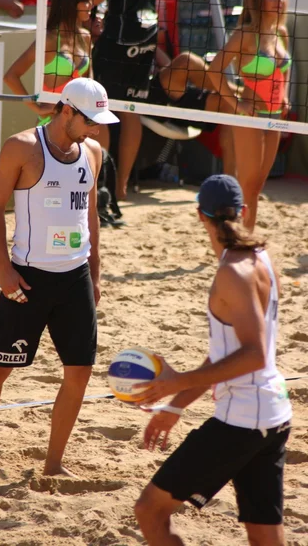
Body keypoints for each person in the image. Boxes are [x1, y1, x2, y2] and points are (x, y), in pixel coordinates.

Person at [0, 77, 119, 477]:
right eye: (90, 120)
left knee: (79, 371)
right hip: (28, 280)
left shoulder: (91, 151)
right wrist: (4, 269)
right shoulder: (22, 147)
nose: (96, 129)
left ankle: (53, 464)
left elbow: (89, 215)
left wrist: (95, 272)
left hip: (74, 278)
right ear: (66, 110)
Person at [134, 174, 292, 546]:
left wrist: (178, 380)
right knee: (265, 536)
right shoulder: (262, 258)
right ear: (244, 211)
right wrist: (176, 407)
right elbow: (228, 355)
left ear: (199, 215)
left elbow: (252, 354)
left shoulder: (232, 271)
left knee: (149, 511)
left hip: (240, 423)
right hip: (274, 415)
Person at [207, 0, 291, 229]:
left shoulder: (281, 32)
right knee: (248, 184)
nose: (280, 0)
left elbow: (284, 71)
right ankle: (238, 237)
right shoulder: (244, 35)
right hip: (249, 116)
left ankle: (244, 234)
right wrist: (236, 104)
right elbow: (214, 71)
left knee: (258, 185)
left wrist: (285, 95)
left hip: (275, 116)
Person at [77, 0, 158, 200]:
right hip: (147, 33)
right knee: (131, 109)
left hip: (120, 37)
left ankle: (100, 186)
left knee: (102, 108)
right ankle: (120, 186)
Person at [3, 0, 110, 149]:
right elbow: (11, 76)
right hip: (51, 126)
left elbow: (89, 83)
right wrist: (37, 108)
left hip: (78, 126)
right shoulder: (49, 39)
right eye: (87, 1)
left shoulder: (85, 37)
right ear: (71, 3)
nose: (91, 6)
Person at [148, 51, 238, 176]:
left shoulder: (154, 37)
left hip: (174, 95)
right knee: (186, 60)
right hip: (144, 95)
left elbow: (164, 60)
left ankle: (232, 183)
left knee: (230, 103)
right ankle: (241, 93)